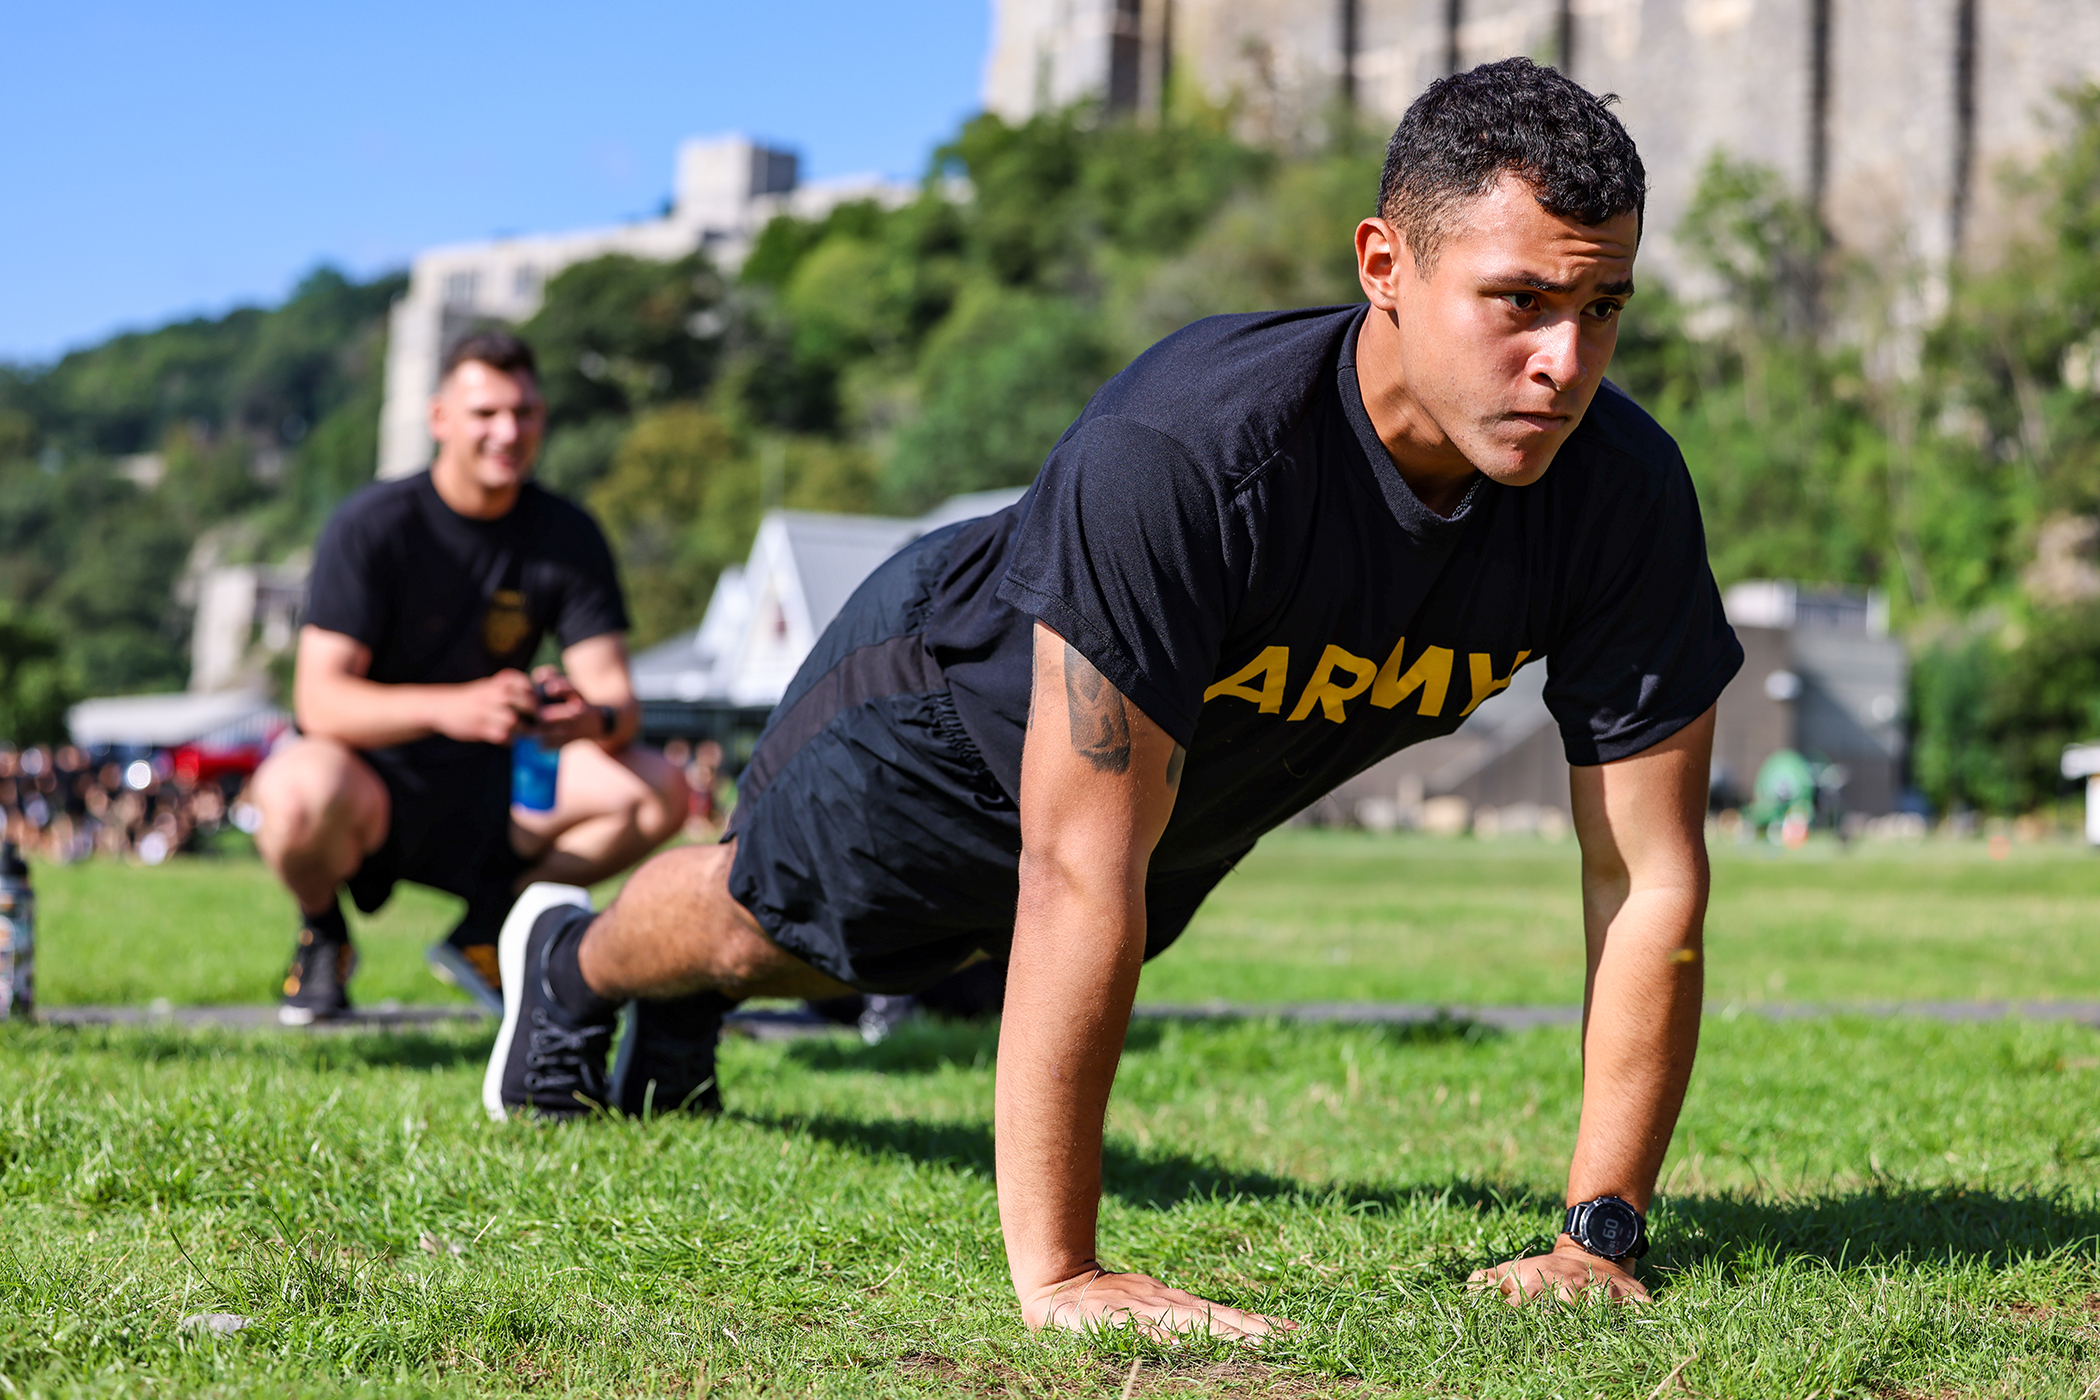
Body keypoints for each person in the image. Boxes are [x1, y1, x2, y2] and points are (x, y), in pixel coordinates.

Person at [481, 58, 1740, 1336]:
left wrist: (1601, 1229)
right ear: (1382, 266)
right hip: (945, 706)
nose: (1564, 362)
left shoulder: (1618, 493)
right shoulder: (1189, 448)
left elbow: (1644, 877)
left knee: (941, 958)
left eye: (1603, 307)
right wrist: (1066, 1275)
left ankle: (687, 1007)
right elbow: (1073, 869)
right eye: (1519, 299)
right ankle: (573, 967)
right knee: (768, 921)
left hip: (1173, 805)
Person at [252, 330, 686, 1025]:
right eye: (486, 413)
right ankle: (324, 934)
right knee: (292, 793)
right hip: (371, 781)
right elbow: (318, 699)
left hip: (501, 783)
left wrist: (586, 718)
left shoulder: (568, 534)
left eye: (525, 412)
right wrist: (451, 707)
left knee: (661, 792)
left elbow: (617, 700)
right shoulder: (372, 524)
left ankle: (490, 927)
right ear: (440, 420)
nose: (508, 431)